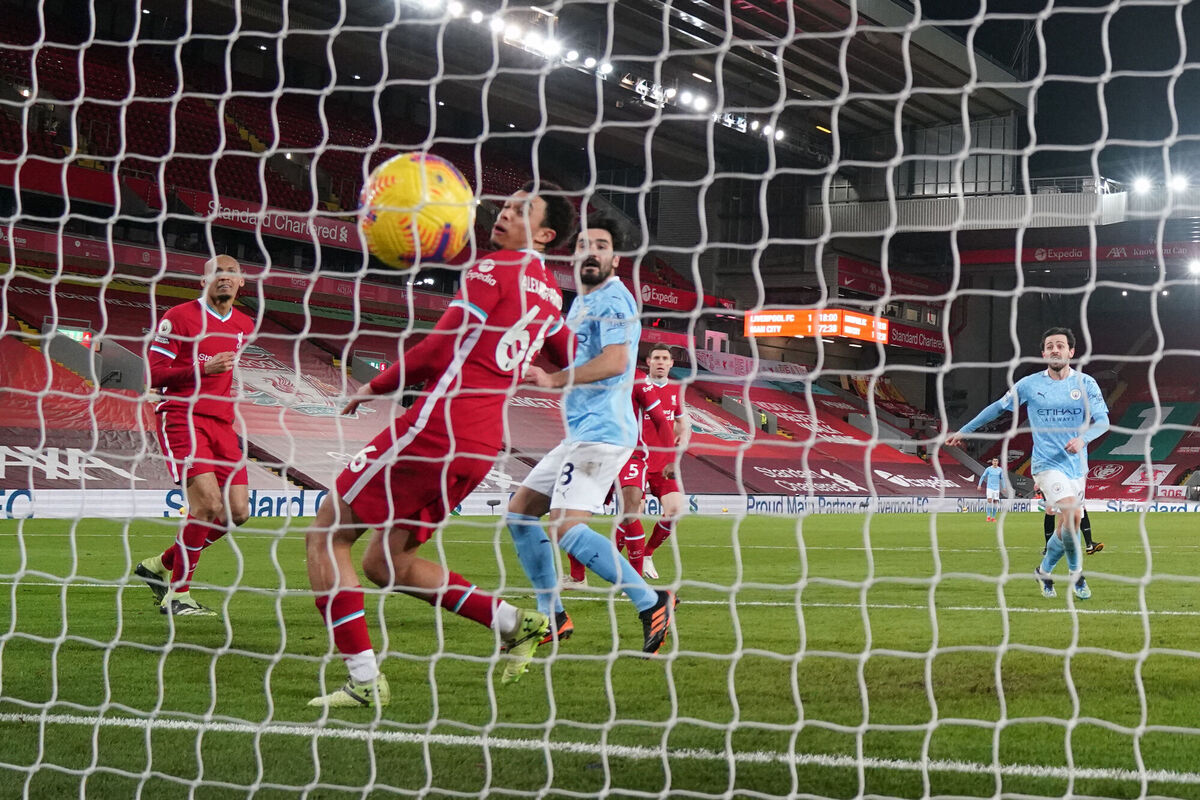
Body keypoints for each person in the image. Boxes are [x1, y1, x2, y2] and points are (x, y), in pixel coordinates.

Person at [303, 182, 577, 708]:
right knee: (387, 562)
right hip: (479, 445)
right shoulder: (549, 294)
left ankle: (363, 679)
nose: (504, 213)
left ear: (544, 235)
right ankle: (513, 622)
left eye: (521, 211)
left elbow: (437, 347)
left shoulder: (492, 269)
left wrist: (373, 386)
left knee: (327, 536)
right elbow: (571, 355)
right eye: (506, 204)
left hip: (434, 429)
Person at [506, 214, 676, 656]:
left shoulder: (614, 300)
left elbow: (618, 361)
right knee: (521, 513)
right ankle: (553, 616)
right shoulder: (580, 303)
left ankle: (651, 600)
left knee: (567, 530)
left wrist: (554, 378)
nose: (591, 251)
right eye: (583, 244)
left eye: (600, 245)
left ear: (614, 259)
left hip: (603, 432)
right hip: (580, 433)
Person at [947, 327, 1109, 601]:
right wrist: (965, 430)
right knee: (1070, 513)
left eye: (1060, 345)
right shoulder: (1029, 385)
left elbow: (1103, 421)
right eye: (1050, 346)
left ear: (1071, 352)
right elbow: (997, 408)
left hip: (1077, 466)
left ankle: (1044, 571)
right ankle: (1076, 575)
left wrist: (1084, 439)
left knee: (1069, 524)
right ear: (1044, 353)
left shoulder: (1086, 384)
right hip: (1046, 465)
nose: (1055, 349)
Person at [135, 255, 255, 617]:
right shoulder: (178, 317)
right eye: (216, 273)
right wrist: (203, 367)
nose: (224, 278)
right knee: (206, 505)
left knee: (237, 513)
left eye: (231, 272)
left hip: (222, 424)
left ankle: (158, 565)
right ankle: (179, 594)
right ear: (202, 280)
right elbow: (154, 374)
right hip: (182, 417)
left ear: (241, 282)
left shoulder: (244, 324)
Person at [563, 352, 676, 584]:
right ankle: (577, 578)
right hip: (594, 453)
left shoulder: (637, 379)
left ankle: (634, 580)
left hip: (630, 454)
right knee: (573, 515)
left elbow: (661, 420)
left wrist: (669, 458)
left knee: (630, 512)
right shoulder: (591, 376)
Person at [1036, 489, 1103, 554]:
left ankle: (1089, 544)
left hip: (1069, 482)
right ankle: (1049, 547)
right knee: (1051, 509)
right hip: (1055, 483)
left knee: (1080, 507)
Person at [977, 457, 1006, 522]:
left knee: (995, 502)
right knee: (989, 501)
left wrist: (1004, 487)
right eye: (994, 461)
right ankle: (988, 516)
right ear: (992, 462)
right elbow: (983, 476)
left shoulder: (1000, 470)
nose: (995, 462)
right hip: (990, 488)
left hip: (996, 488)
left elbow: (1002, 479)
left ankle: (993, 517)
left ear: (998, 462)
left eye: (996, 461)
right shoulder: (988, 469)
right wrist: (979, 485)